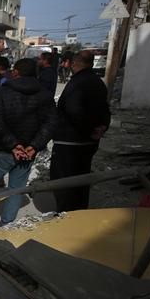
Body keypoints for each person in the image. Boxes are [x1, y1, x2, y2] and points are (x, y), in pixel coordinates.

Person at [0, 58, 56, 227]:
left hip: (3, 149)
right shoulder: (44, 94)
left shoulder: (3, 92)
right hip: (27, 151)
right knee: (16, 189)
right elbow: (50, 124)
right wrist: (33, 146)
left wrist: (14, 145)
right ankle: (6, 225)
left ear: (15, 72)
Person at [50, 50, 110, 211]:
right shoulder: (98, 82)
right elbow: (105, 109)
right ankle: (77, 212)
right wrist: (102, 127)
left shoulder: (78, 83)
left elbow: (73, 110)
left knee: (63, 181)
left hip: (70, 141)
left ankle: (66, 215)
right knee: (81, 180)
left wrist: (89, 129)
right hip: (88, 141)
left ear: (74, 64)